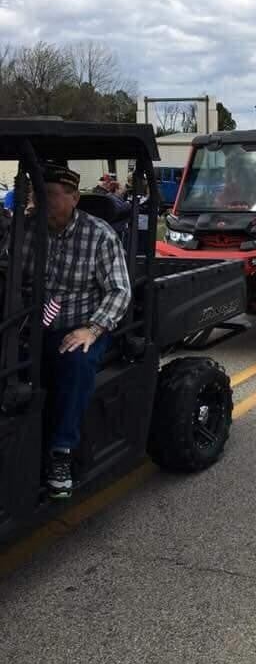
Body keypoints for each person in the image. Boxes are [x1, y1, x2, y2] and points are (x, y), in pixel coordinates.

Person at [23, 163, 132, 498]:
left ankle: (61, 451)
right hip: (30, 322)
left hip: (79, 324)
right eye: (35, 194)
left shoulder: (99, 235)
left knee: (75, 362)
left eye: (50, 195)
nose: (40, 202)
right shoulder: (25, 230)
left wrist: (92, 329)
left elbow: (119, 290)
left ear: (73, 198)